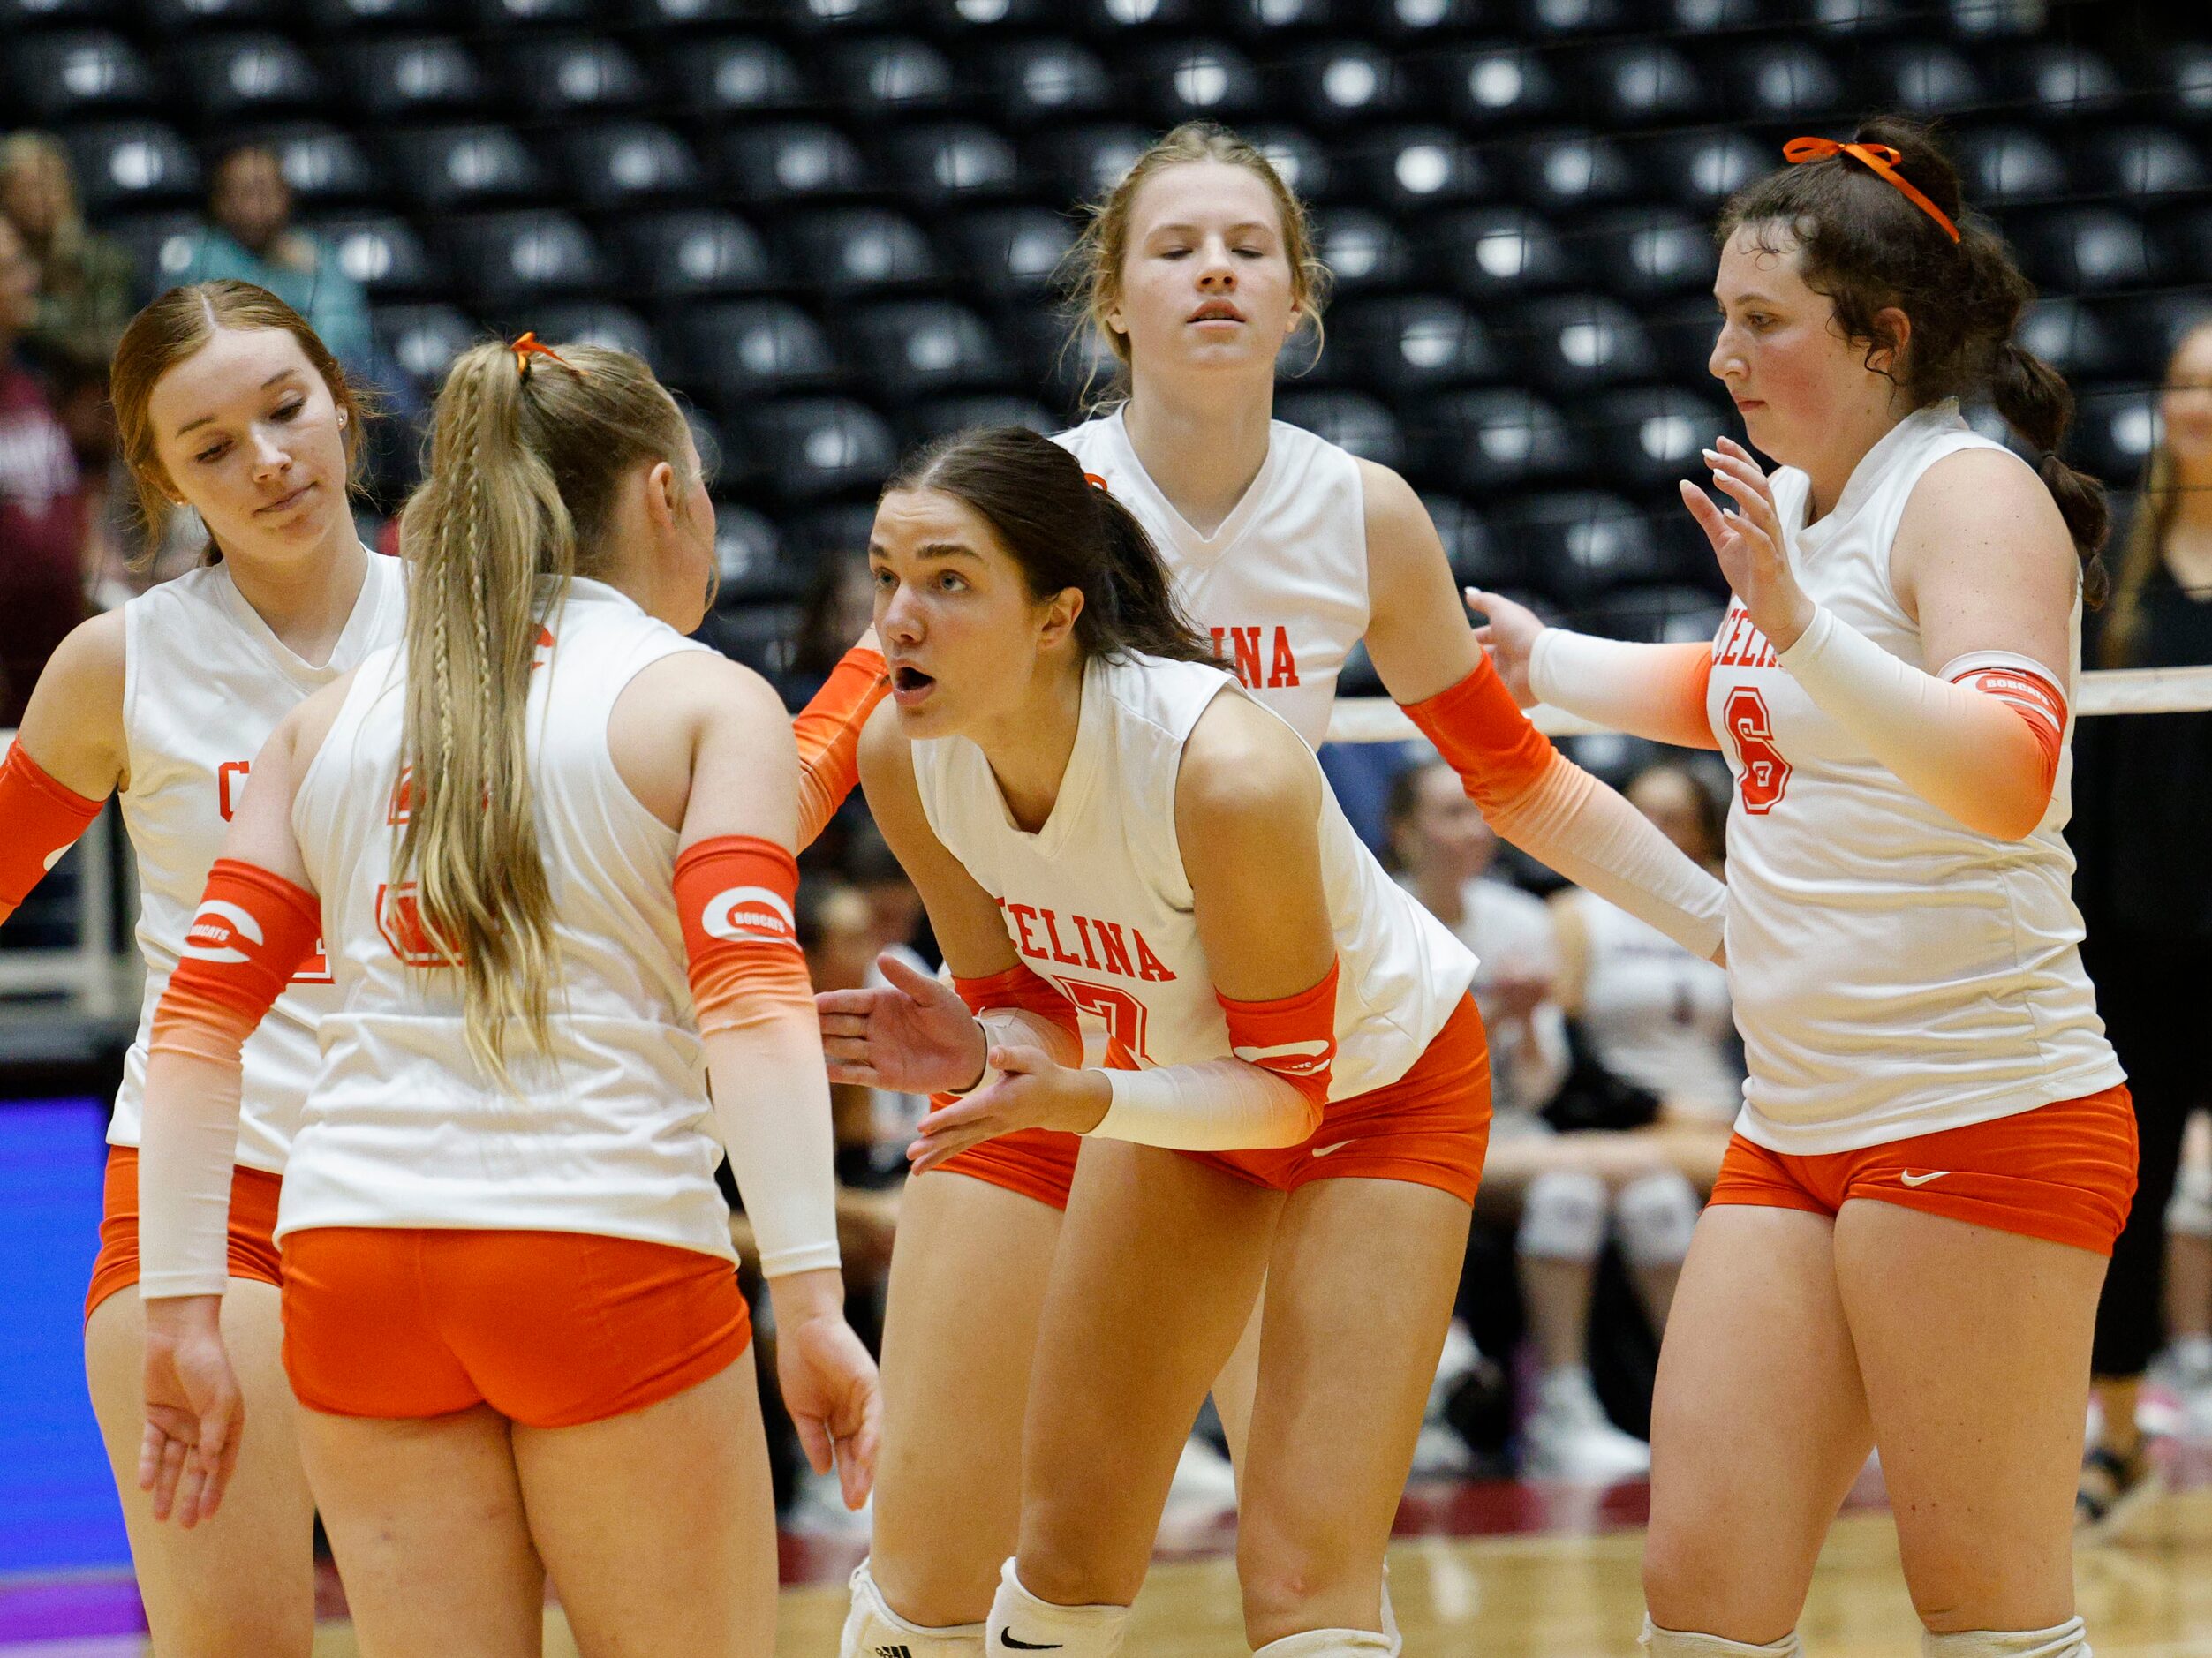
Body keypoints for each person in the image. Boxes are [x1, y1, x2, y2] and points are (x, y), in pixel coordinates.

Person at [834, 120, 1729, 1658]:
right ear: (1110, 298)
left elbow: (1515, 777)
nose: (1215, 273)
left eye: (1250, 246)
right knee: (934, 1562)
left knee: (1313, 1570)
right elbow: (855, 729)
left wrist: (1740, 931)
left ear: (1301, 295)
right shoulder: (1015, 512)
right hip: (1093, 1028)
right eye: (1173, 246)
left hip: (1284, 1028)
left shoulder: (1359, 513)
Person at [0, 286, 886, 1657]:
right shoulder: (118, 662)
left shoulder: (484, 615)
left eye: (285, 411)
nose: (269, 460)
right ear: (157, 475)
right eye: (212, 444)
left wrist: (867, 675)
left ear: (342, 405)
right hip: (218, 1189)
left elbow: (696, 819)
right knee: (231, 1638)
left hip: (435, 1177)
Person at [1480, 119, 2132, 1658]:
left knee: (1986, 1615)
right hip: (1796, 1118)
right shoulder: (1809, 505)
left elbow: (2006, 770)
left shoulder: (1967, 491)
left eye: (1761, 319)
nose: (1723, 354)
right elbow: (1758, 692)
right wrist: (1545, 660)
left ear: (1884, 335)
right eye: (1723, 315)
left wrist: (1803, 626)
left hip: (1980, 1111)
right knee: (1699, 1599)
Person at [827, 424, 1500, 1658]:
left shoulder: (1224, 770)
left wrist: (1080, 1093)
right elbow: (1028, 1001)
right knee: (1070, 1547)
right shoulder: (903, 755)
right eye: (885, 576)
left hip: (1371, 1094)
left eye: (947, 580)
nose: (897, 619)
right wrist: (979, 1049)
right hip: (1167, 1081)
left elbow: (1286, 1097)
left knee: (1303, 1573)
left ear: (1055, 616)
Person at [1388, 757, 1703, 1482]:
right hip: (1414, 1134)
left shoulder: (1520, 917)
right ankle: (1560, 1409)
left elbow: (1540, 1083)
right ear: (1404, 831)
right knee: (1608, 1173)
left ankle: (1677, 1408)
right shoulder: (1382, 913)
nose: (1473, 829)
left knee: (1626, 1192)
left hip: (1515, 1129)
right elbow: (1387, 1066)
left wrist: (1527, 1025)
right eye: (1450, 813)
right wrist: (1493, 1011)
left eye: (1478, 811)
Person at [2070, 313, 2212, 1527]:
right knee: (2125, 1193)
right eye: (2181, 387)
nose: (2196, 408)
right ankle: (2115, 1435)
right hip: (2135, 948)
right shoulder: (2110, 567)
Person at [1551, 762, 1743, 1143]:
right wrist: (1654, 1110)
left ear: (1704, 836)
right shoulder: (1577, 913)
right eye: (1639, 814)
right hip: (1619, 1115)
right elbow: (1564, 1047)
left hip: (1723, 1109)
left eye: (1671, 820)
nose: (1649, 831)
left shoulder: (1734, 910)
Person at [175, 147, 373, 380]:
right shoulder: (200, 257)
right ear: (222, 201)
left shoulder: (316, 253)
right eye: (249, 192)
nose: (262, 203)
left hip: (337, 378)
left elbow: (351, 333)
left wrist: (307, 277)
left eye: (271, 190)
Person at [0, 212, 87, 727]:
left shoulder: (31, 383)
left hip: (54, 680)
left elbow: (65, 500)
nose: (28, 279)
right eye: (8, 269)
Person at [0, 132, 135, 379]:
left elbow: (107, 341)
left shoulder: (101, 258)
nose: (41, 198)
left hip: (82, 385)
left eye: (51, 185)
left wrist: (33, 316)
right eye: (27, 187)